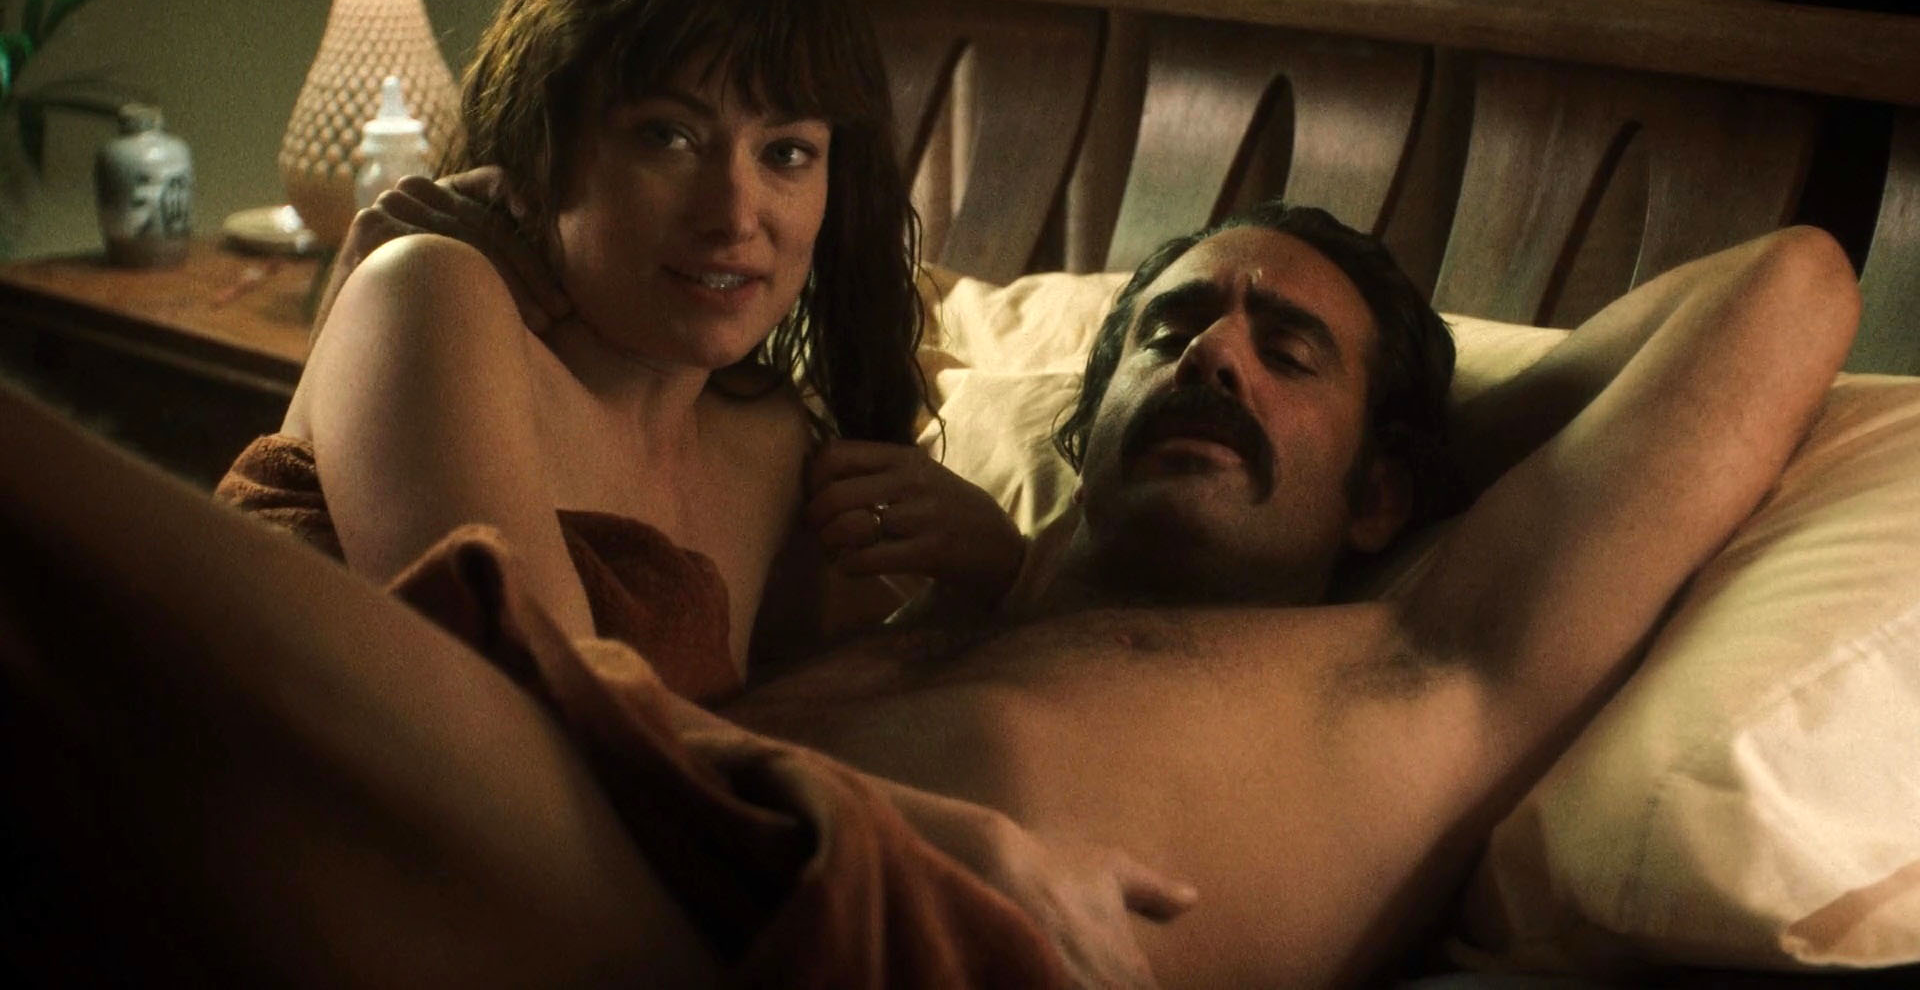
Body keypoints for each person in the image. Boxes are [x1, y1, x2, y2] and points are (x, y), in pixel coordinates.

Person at [0, 198, 1858, 987]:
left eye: (1285, 348)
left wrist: (1417, 428)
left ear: (1388, 487)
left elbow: (1790, 285)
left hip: (780, 942)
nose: (1214, 356)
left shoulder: (1414, 663)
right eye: (1168, 331)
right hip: (633, 846)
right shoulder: (904, 615)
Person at [226, 0, 1029, 696]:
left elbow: (823, 735)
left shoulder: (768, 444)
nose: (734, 216)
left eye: (786, 153)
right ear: (541, 147)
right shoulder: (429, 292)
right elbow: (549, 728)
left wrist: (992, 572)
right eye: (667, 137)